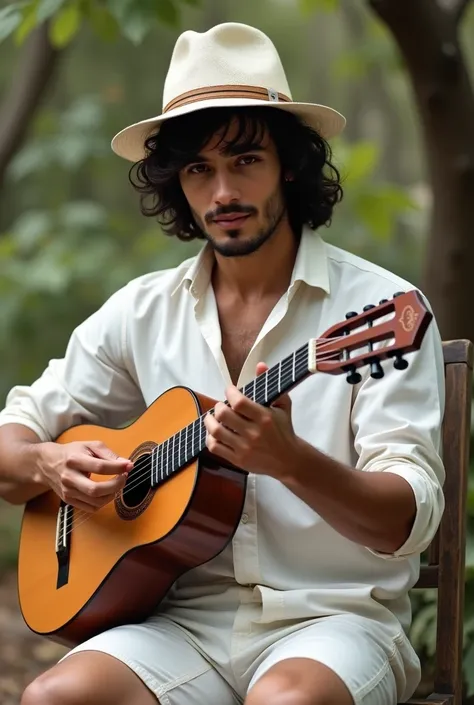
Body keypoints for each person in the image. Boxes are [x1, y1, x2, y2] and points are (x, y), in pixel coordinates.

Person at [0, 21, 445, 705]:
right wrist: (47, 464)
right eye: (199, 169)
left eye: (245, 161)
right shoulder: (142, 311)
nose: (222, 193)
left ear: (288, 164)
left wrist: (292, 461)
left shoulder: (381, 308)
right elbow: (12, 439)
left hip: (334, 621)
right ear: (176, 183)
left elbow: (408, 518)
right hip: (177, 624)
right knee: (53, 697)